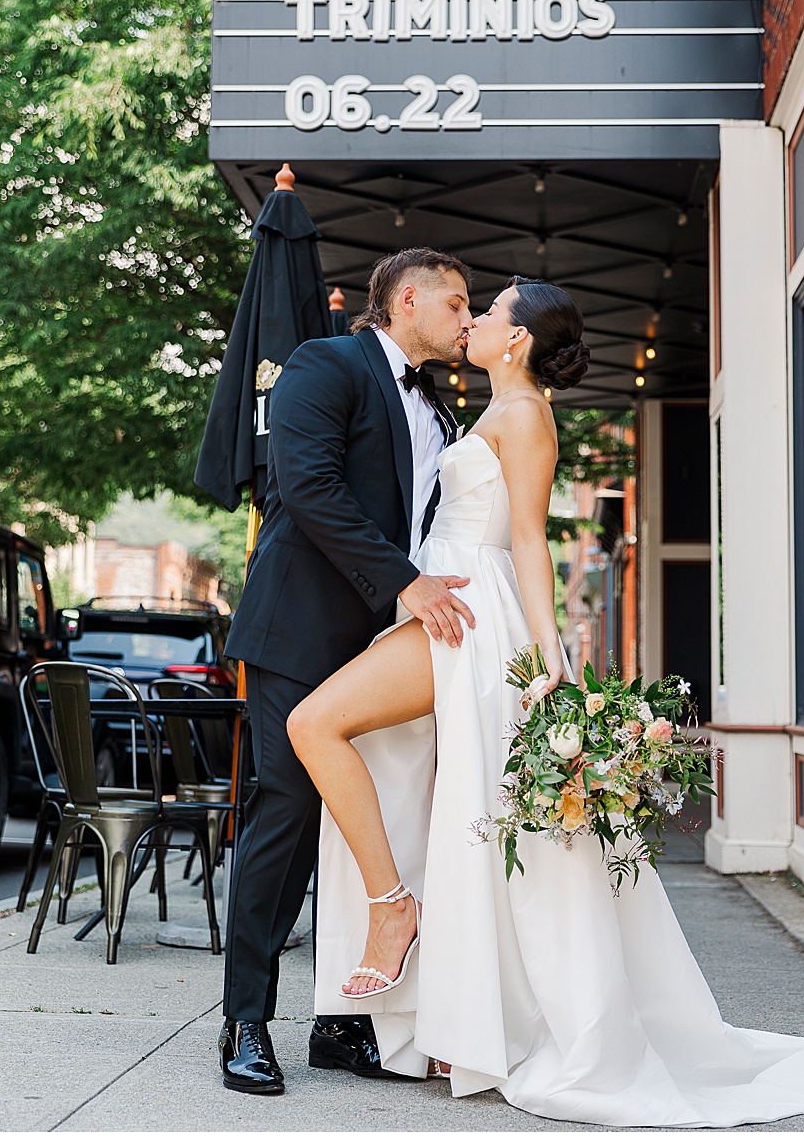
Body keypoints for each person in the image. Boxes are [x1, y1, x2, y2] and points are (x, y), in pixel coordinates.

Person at [285, 276, 804, 1127]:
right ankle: (446, 992)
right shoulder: (481, 412)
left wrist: (550, 656)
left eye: (488, 313)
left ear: (516, 340)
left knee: (319, 723)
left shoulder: (524, 417)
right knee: (450, 810)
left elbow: (528, 537)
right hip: (445, 596)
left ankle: (396, 911)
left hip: (472, 613)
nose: (475, 319)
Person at [218, 247, 477, 1095]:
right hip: (298, 629)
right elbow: (308, 484)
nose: (467, 320)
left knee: (370, 827)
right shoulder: (321, 362)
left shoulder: (437, 404)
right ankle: (245, 1020)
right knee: (287, 815)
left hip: (382, 648)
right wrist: (407, 582)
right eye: (457, 304)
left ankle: (340, 1023)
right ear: (407, 299)